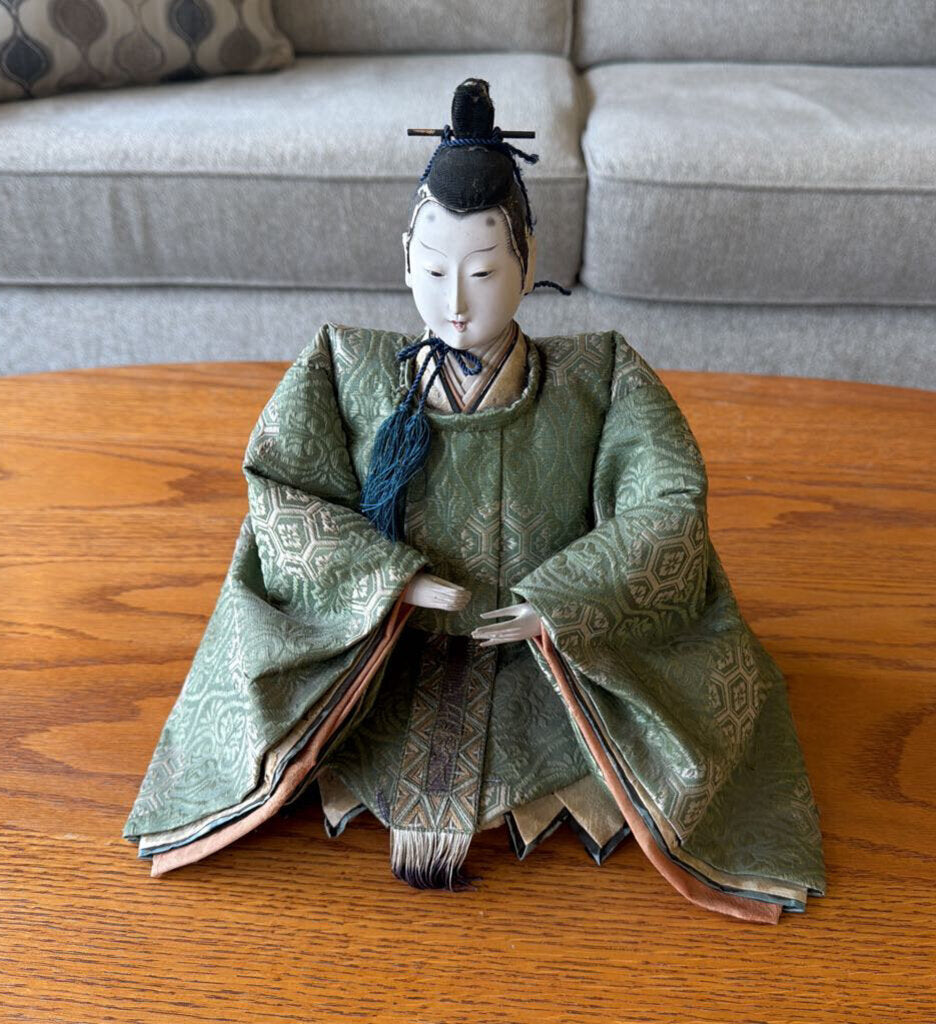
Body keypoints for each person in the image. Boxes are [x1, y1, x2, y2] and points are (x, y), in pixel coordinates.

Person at [123, 79, 826, 924]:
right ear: (403, 260)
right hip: (385, 649)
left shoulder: (602, 377)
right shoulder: (343, 367)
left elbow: (664, 502)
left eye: (484, 272)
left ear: (527, 262)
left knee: (686, 733)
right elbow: (283, 491)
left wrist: (558, 603)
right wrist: (389, 582)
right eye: (432, 271)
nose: (455, 303)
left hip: (555, 657)